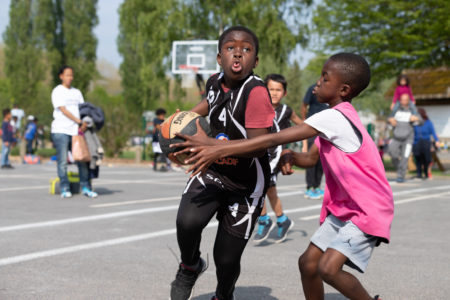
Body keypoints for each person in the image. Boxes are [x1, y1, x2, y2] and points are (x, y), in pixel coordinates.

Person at [173, 53, 394, 300]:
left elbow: (271, 139)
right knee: (308, 264)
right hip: (346, 209)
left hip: (367, 209)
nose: (317, 83)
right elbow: (310, 159)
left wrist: (216, 147)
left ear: (343, 89)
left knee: (328, 268)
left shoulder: (335, 117)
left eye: (324, 78)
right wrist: (291, 157)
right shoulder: (334, 120)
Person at [169, 26, 275, 300]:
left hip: (246, 182)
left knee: (226, 260)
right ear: (219, 57)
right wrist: (179, 123)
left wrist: (212, 147)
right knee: (187, 222)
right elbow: (210, 102)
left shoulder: (256, 93)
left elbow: (256, 147)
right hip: (213, 169)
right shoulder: (214, 81)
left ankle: (223, 295)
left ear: (255, 61)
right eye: (230, 47)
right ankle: (190, 265)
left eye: (247, 48)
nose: (238, 52)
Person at [253, 74, 302, 244]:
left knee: (261, 188)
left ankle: (265, 220)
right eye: (271, 89)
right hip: (259, 154)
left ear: (285, 93)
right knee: (270, 192)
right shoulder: (258, 108)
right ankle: (281, 220)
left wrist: (303, 146)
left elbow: (303, 126)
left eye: (278, 90)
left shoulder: (286, 110)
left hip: (275, 157)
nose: (274, 93)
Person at [51, 65, 98, 198]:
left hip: (76, 131)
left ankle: (86, 187)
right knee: (63, 161)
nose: (70, 77)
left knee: (82, 159)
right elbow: (63, 110)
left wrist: (84, 123)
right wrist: (78, 121)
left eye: (71, 75)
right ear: (61, 76)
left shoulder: (77, 92)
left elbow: (83, 109)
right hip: (61, 130)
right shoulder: (57, 91)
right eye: (67, 75)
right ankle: (65, 188)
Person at [301, 84, 328, 199]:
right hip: (313, 128)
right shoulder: (312, 88)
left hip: (326, 130)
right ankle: (309, 188)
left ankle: (317, 186)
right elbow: (304, 104)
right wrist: (304, 120)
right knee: (311, 157)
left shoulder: (331, 89)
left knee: (322, 160)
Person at [387, 93, 422, 183]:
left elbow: (421, 121)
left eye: (406, 100)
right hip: (396, 137)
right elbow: (389, 118)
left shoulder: (413, 111)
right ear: (400, 100)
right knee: (392, 152)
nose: (404, 101)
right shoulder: (396, 110)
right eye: (402, 100)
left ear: (408, 101)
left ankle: (401, 175)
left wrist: (416, 119)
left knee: (405, 157)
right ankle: (400, 168)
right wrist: (390, 120)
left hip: (408, 139)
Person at [413, 107, 439, 179]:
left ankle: (426, 172)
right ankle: (419, 173)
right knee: (418, 158)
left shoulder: (428, 123)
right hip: (416, 142)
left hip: (426, 142)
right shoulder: (414, 123)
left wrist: (436, 140)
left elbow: (433, 133)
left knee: (426, 159)